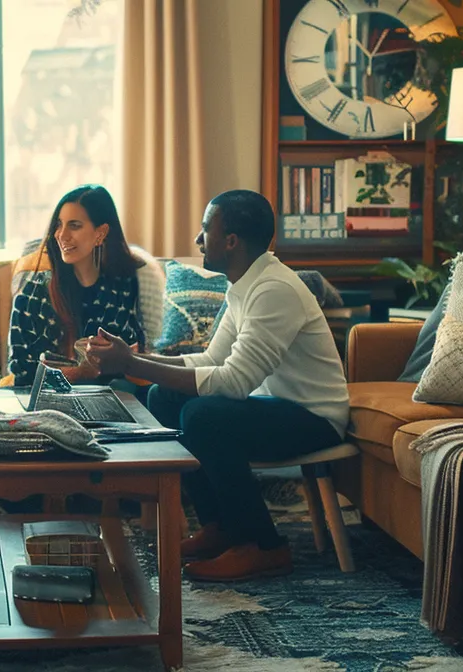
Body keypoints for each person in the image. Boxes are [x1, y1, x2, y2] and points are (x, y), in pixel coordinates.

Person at [85, 189, 349, 582]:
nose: (197, 239)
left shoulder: (274, 290)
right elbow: (211, 361)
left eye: (205, 229)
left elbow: (232, 382)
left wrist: (132, 362)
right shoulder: (244, 284)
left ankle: (263, 545)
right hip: (276, 406)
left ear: (231, 241)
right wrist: (136, 361)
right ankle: (219, 527)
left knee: (203, 414)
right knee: (164, 396)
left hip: (314, 417)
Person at [8, 185, 151, 387]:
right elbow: (22, 374)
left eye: (74, 225)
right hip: (49, 402)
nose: (61, 235)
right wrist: (81, 372)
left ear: (101, 233)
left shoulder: (128, 286)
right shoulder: (33, 293)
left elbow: (139, 359)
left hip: (115, 395)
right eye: (59, 224)